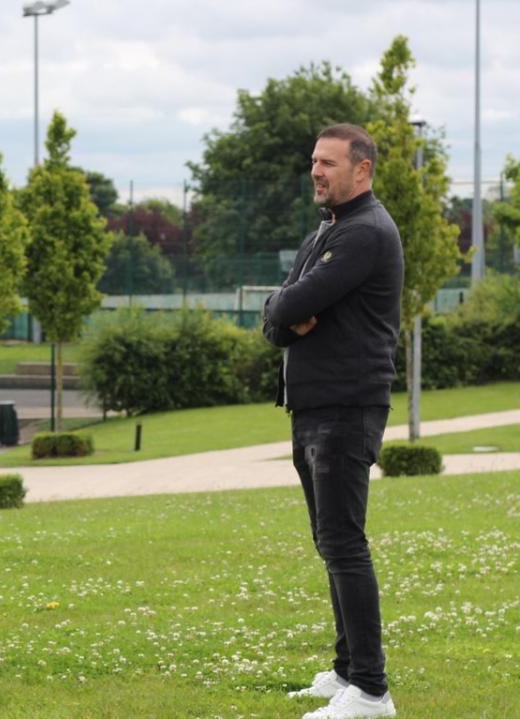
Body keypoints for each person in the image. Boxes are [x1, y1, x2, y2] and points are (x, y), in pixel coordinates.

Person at [262, 124, 403, 719]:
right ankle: (347, 672)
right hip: (315, 406)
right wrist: (282, 314)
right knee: (331, 541)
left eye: (328, 163)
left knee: (344, 542)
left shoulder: (366, 233)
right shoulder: (329, 231)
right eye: (313, 161)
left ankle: (371, 690)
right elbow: (278, 318)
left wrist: (284, 311)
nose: (316, 171)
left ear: (361, 170)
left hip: (346, 407)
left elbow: (290, 305)